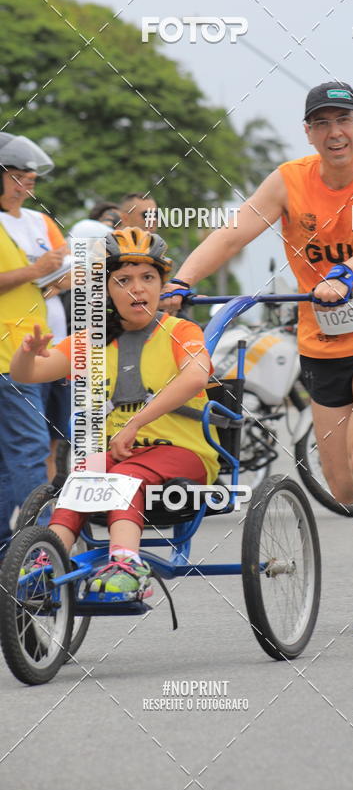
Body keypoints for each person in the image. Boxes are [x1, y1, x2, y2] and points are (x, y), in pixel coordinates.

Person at [162, 81, 353, 634]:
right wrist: (182, 280)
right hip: (323, 340)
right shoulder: (289, 181)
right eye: (322, 123)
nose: (334, 132)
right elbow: (232, 235)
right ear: (309, 133)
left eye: (344, 120)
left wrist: (345, 273)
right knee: (343, 486)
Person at [9, 227, 219, 595]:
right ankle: (48, 561)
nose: (137, 289)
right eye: (123, 280)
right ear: (106, 290)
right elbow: (27, 375)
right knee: (81, 478)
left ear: (162, 286)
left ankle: (127, 564)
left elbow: (196, 377)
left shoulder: (182, 331)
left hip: (185, 453)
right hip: (120, 457)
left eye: (148, 278)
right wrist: (26, 354)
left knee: (121, 475)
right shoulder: (92, 340)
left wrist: (136, 423)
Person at [0, 133, 69, 561]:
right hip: (9, 357)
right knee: (28, 451)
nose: (26, 183)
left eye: (30, 177)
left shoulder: (40, 222)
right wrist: (34, 271)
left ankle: (12, 555)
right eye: (16, 176)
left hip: (36, 354)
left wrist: (54, 277)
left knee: (17, 456)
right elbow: (36, 273)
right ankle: (37, 554)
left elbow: (60, 274)